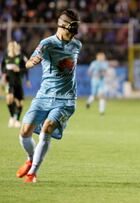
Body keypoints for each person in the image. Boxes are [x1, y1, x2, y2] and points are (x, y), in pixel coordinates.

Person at [16, 9, 82, 183]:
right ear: (61, 26)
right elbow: (29, 62)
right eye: (70, 30)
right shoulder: (46, 44)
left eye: (75, 31)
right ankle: (31, 159)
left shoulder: (77, 45)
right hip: (43, 97)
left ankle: (33, 173)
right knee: (24, 132)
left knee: (47, 128)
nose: (73, 35)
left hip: (66, 100)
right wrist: (32, 63)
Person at [1, 41, 30, 128]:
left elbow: (26, 67)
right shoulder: (6, 57)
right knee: (9, 98)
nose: (12, 48)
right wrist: (4, 74)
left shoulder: (21, 57)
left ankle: (17, 119)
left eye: (14, 46)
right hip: (9, 83)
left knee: (20, 103)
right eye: (11, 46)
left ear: (17, 47)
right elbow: (2, 67)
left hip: (18, 82)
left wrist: (20, 70)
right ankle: (12, 117)